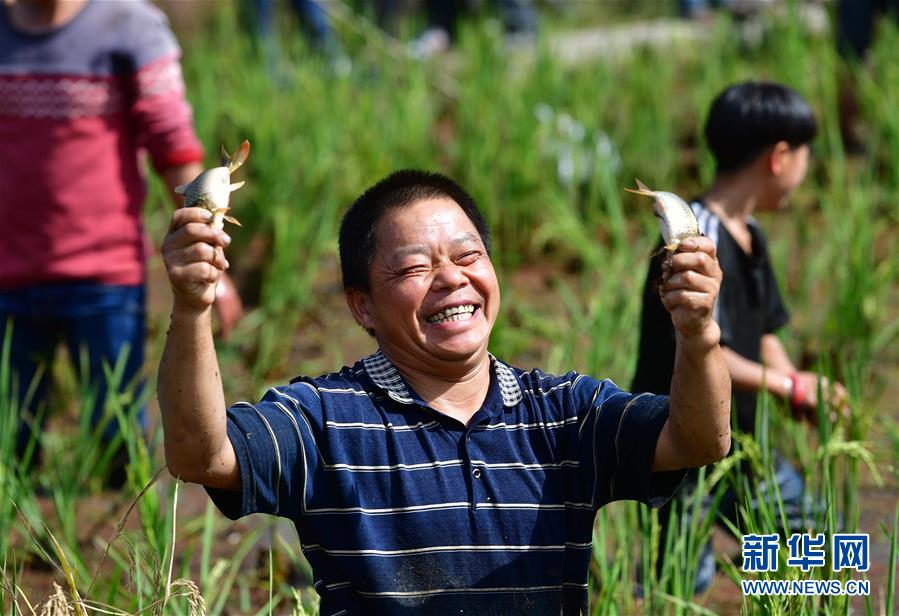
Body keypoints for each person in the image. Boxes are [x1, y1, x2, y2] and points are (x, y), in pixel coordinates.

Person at [159, 169, 730, 613]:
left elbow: (699, 440)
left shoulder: (564, 415)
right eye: (414, 268)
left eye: (467, 256)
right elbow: (199, 454)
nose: (452, 278)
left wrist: (699, 332)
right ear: (362, 307)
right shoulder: (323, 419)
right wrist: (190, 308)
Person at [0, 0, 243, 487]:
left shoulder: (129, 26)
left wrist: (214, 272)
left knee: (118, 439)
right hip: (7, 279)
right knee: (11, 445)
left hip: (104, 279)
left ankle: (123, 529)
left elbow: (175, 149)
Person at [631, 81, 849, 593]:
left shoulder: (752, 234)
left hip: (744, 441)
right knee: (682, 581)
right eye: (806, 154)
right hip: (683, 441)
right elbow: (711, 352)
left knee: (820, 542)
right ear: (779, 157)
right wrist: (789, 386)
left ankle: (754, 592)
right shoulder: (693, 245)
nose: (806, 167)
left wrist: (800, 385)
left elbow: (765, 333)